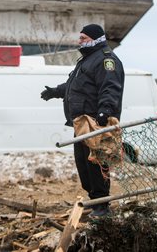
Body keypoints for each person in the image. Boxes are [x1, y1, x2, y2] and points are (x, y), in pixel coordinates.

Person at [40, 24, 125, 218]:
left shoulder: (105, 60)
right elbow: (76, 86)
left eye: (83, 38)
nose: (80, 41)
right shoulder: (87, 60)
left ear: (96, 38)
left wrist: (105, 112)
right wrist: (55, 91)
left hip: (94, 122)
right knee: (84, 164)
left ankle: (102, 205)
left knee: (96, 164)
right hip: (80, 123)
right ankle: (93, 200)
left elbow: (110, 88)